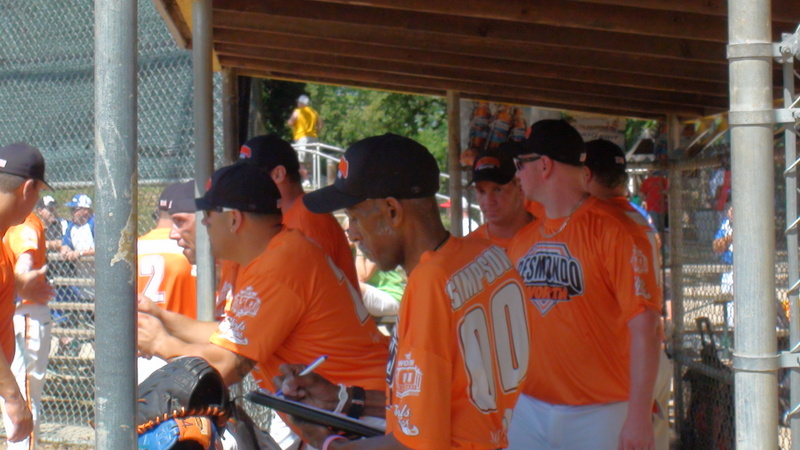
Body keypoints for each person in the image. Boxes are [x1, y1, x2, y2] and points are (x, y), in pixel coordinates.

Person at [275, 133, 532, 449]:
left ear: (392, 211)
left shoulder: (430, 285)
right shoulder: (485, 253)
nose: (352, 234)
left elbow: (416, 444)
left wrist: (327, 442)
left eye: (355, 217)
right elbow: (441, 401)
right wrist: (341, 398)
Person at [137, 163, 387, 448]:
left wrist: (160, 343)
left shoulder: (280, 264)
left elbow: (224, 367)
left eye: (208, 216)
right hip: (346, 412)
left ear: (234, 219)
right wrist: (161, 317)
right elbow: (228, 334)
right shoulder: (270, 255)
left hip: (365, 413)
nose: (204, 224)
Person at [507, 120, 663, 449]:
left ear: (545, 165)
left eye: (520, 164)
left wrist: (639, 416)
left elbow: (646, 328)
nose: (516, 174)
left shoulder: (617, 231)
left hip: (600, 412)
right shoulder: (523, 240)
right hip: (529, 406)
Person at [584, 138, 671, 450]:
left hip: (630, 357)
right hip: (646, 353)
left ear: (586, 175)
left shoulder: (608, 221)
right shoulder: (634, 214)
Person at [238, 134, 358, 290]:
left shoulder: (308, 220)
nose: (243, 185)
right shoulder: (285, 216)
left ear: (278, 175)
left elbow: (310, 294)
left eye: (250, 177)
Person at [0, 142, 53, 445]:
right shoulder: (23, 226)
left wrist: (17, 283)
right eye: (38, 192)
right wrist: (12, 396)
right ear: (28, 187)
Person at [137, 183, 197, 319]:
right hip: (186, 328)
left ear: (158, 211)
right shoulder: (192, 249)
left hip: (140, 328)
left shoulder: (132, 248)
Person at [465, 144, 533, 249]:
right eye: (481, 191)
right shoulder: (470, 248)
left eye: (497, 190)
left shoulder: (549, 236)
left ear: (519, 187)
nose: (488, 201)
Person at [60, 194, 95, 301]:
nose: (72, 212)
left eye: (74, 209)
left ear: (85, 211)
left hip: (99, 276)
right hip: (83, 278)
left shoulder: (95, 223)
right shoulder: (71, 226)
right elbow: (65, 243)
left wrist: (80, 253)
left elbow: (103, 249)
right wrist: (65, 249)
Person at [287, 95, 323, 184]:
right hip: (314, 138)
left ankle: (306, 180)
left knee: (301, 161)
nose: (297, 104)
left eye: (298, 102)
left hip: (302, 138)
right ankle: (315, 180)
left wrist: (289, 122)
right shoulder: (314, 112)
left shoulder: (298, 111)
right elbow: (321, 125)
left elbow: (291, 122)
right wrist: (316, 133)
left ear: (302, 103)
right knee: (312, 160)